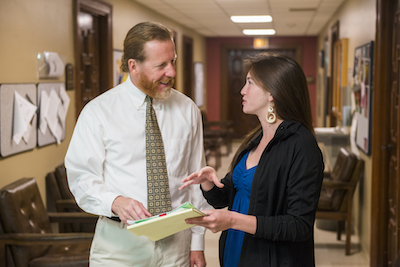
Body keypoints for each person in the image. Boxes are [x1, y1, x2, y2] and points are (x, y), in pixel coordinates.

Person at [65, 21, 209, 267]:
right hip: (119, 245)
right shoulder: (98, 112)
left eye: (172, 61)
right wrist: (115, 201)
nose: (172, 72)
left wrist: (197, 244)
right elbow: (81, 178)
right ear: (133, 66)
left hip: (176, 243)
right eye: (161, 65)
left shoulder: (187, 110)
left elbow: (196, 180)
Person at [180, 54, 324, 266]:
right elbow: (228, 198)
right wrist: (209, 182)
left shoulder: (302, 146)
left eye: (250, 83)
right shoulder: (256, 139)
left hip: (271, 258)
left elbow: (298, 226)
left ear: (272, 93)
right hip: (237, 251)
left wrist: (232, 220)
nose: (242, 91)